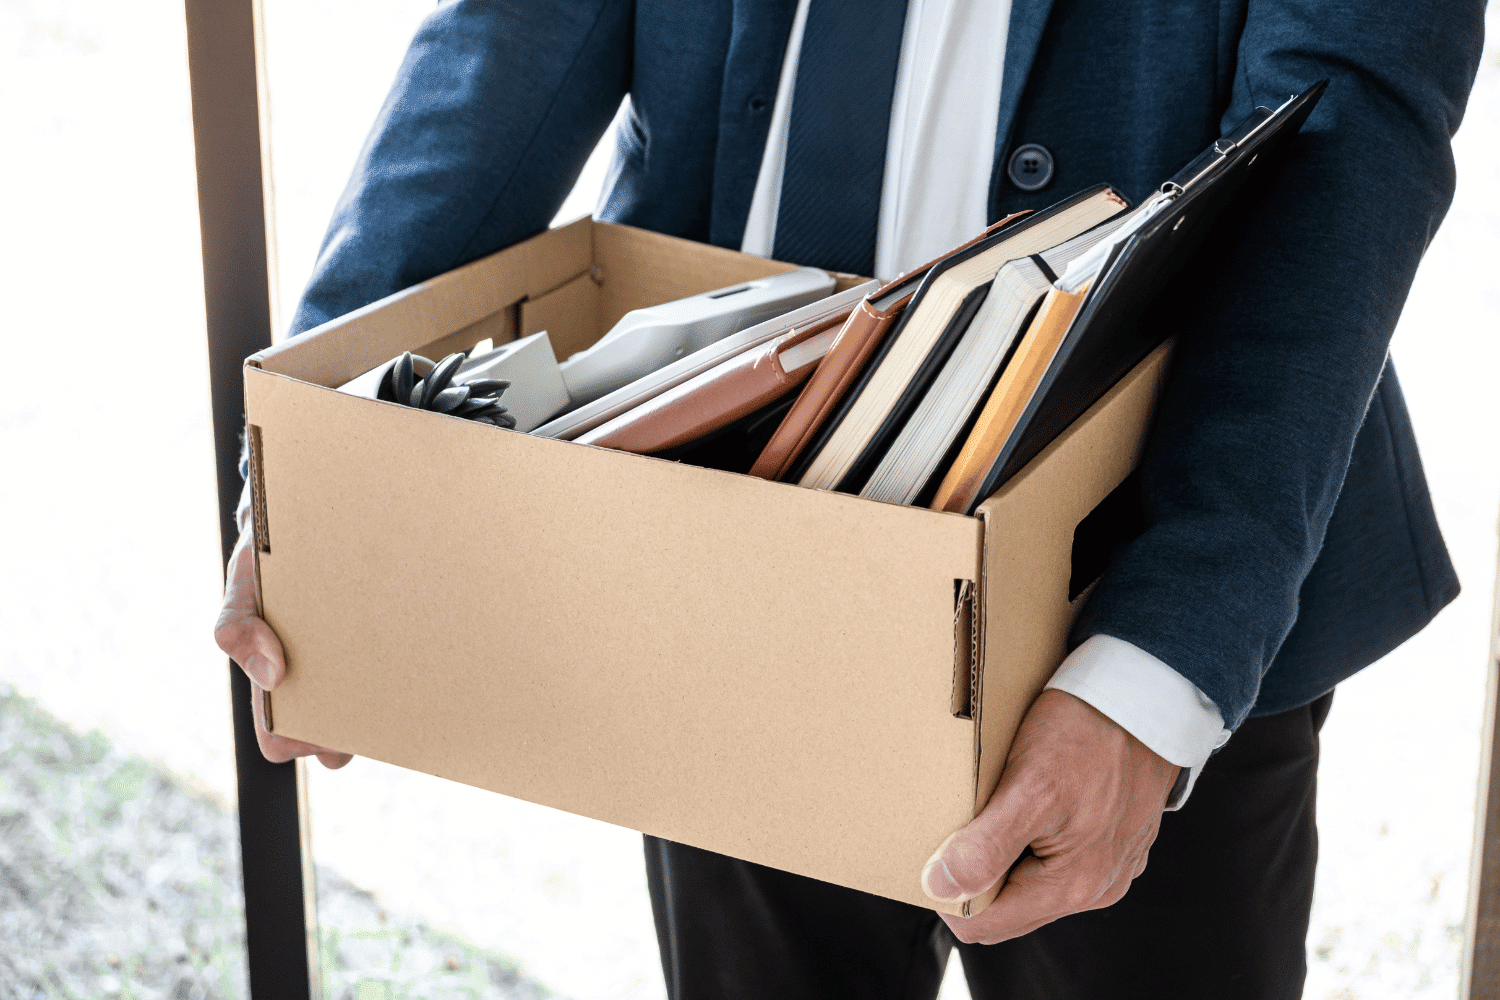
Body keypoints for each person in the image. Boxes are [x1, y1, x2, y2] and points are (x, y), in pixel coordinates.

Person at [214, 1, 1485, 996]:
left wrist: (1158, 666)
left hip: (1143, 566)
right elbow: (514, 32)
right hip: (719, 525)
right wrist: (320, 463)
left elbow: (1346, 131)